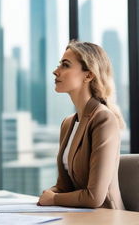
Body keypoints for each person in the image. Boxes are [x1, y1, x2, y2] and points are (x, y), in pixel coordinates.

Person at [38, 40, 125, 209]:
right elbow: (64, 187)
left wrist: (54, 199)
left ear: (88, 75)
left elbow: (94, 197)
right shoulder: (68, 123)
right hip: (77, 214)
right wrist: (48, 194)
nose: (56, 71)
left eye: (65, 65)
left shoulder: (103, 119)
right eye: (59, 65)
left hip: (106, 217)